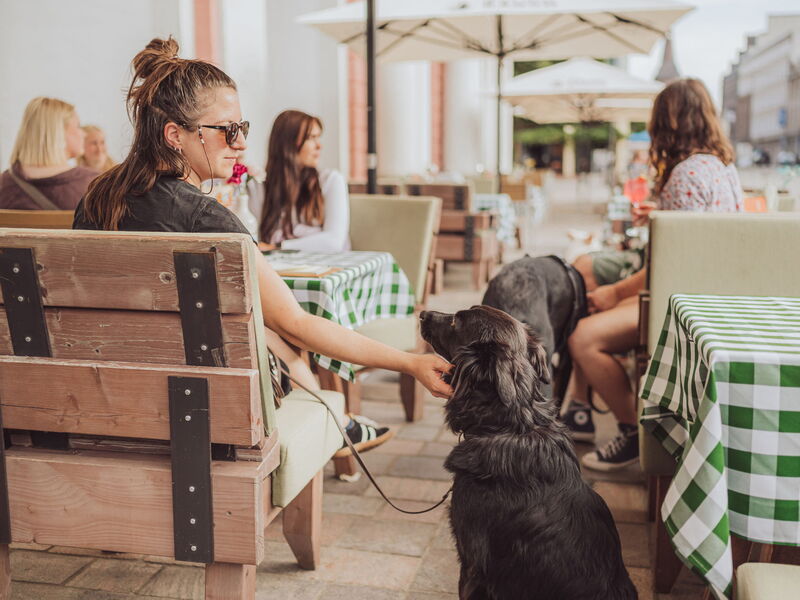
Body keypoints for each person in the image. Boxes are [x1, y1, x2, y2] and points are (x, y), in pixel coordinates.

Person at [73, 37, 452, 456]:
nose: (241, 143)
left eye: (244, 128)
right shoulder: (208, 221)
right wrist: (411, 362)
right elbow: (298, 324)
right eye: (228, 130)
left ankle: (340, 423)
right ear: (174, 135)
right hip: (200, 400)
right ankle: (338, 423)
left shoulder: (98, 196)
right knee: (273, 329)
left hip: (104, 386)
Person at [564, 78, 743, 471]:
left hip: (683, 304)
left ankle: (633, 433)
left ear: (668, 123)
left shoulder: (685, 175)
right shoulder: (721, 168)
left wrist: (614, 294)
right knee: (593, 309)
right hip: (709, 295)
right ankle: (580, 410)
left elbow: (671, 265)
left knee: (584, 337)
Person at [256, 110, 349, 252]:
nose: (319, 146)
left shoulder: (331, 180)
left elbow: (334, 242)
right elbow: (254, 237)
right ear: (288, 143)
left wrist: (278, 246)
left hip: (330, 267)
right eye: (311, 138)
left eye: (318, 137)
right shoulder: (260, 185)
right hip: (284, 267)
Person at [0, 97, 96, 210]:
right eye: (78, 126)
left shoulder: (4, 184)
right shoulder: (93, 185)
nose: (84, 134)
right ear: (59, 132)